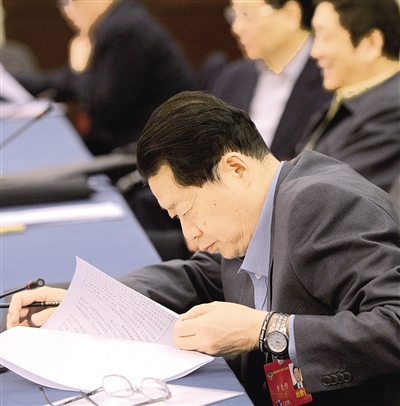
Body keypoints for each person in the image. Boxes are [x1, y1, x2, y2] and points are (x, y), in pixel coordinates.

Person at [7, 91, 400, 406]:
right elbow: (201, 275)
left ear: (235, 169)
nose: (191, 236)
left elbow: (393, 323)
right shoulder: (256, 214)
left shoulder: (321, 203)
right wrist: (88, 301)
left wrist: (265, 330)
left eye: (187, 211)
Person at [14, 0, 196, 156]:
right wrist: (12, 82)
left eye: (72, 1)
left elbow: (101, 109)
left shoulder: (125, 29)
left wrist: (80, 71)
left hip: (151, 149)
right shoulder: (116, 22)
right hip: (134, 141)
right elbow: (64, 81)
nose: (67, 11)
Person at [296, 0, 400, 193]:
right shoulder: (351, 100)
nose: (314, 52)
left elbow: (327, 195)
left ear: (371, 43)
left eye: (325, 37)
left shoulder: (393, 111)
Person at [209, 0, 331, 161]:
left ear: (291, 14)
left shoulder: (331, 77)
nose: (237, 28)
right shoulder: (232, 79)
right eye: (233, 14)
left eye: (247, 14)